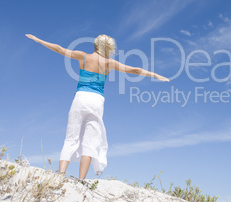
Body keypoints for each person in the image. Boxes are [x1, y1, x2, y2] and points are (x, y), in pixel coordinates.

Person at [25, 34, 169, 180]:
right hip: (97, 101)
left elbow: (59, 49)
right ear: (108, 48)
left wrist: (39, 40)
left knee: (71, 138)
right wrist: (155, 75)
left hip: (81, 98)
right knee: (90, 141)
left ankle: (60, 174)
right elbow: (135, 70)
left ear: (95, 45)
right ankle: (81, 180)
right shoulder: (109, 63)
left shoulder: (83, 56)